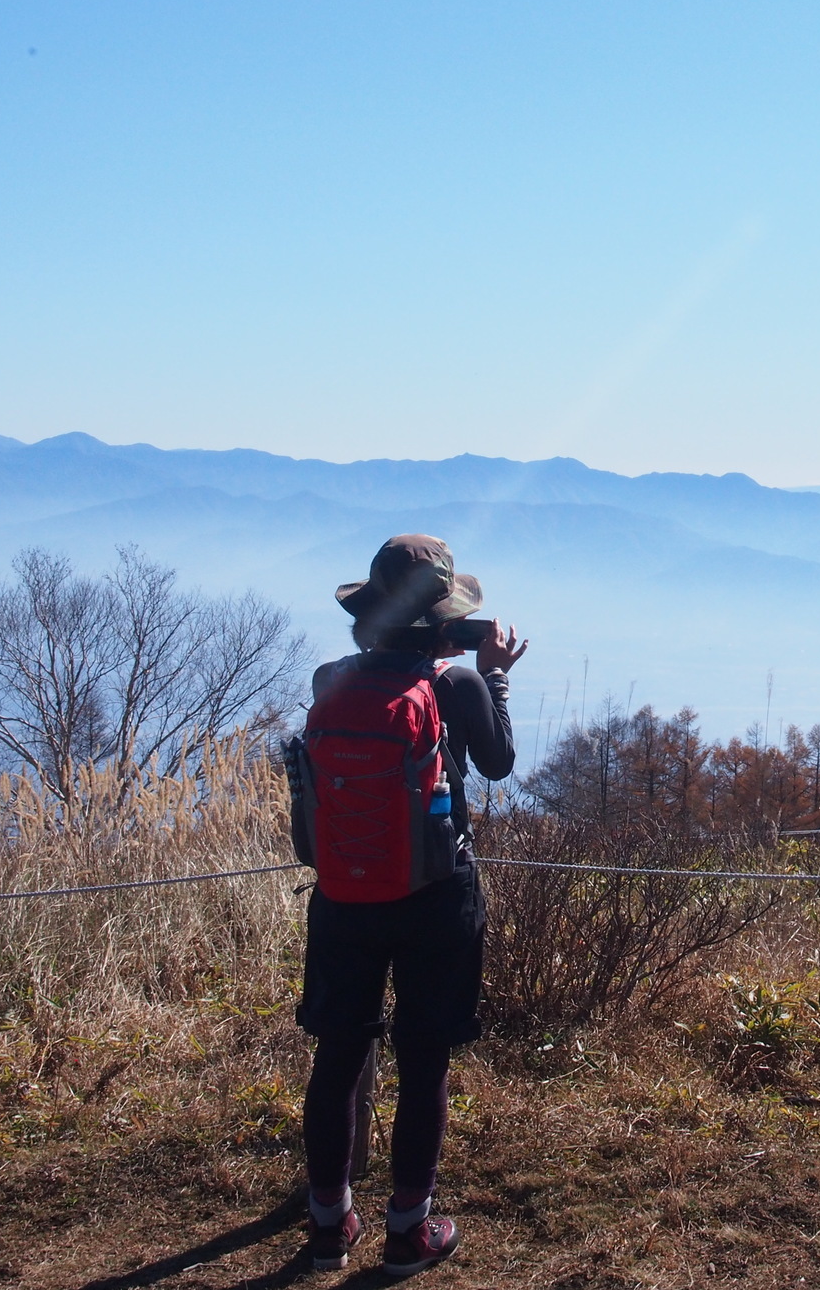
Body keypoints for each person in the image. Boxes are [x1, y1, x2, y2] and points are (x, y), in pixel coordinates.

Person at [297, 534, 527, 1275]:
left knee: (338, 1056)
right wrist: (491, 676)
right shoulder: (453, 686)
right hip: (435, 896)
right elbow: (496, 765)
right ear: (443, 621)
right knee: (422, 1062)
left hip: (342, 894)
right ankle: (408, 1231)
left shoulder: (329, 679)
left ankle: (329, 1224)